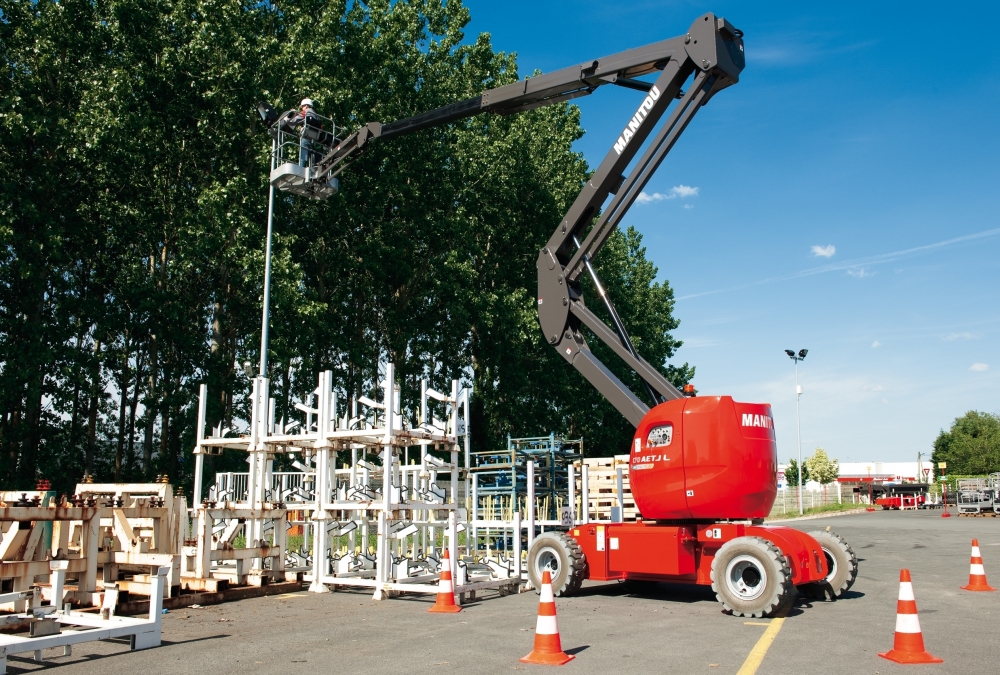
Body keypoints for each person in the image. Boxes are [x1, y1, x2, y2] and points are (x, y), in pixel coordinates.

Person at [290, 97, 319, 167]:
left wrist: (287, 118)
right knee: (315, 162)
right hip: (316, 141)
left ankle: (301, 169)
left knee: (303, 158)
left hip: (306, 138)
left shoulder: (306, 112)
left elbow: (294, 121)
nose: (302, 109)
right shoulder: (316, 116)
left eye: (302, 107)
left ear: (306, 106)